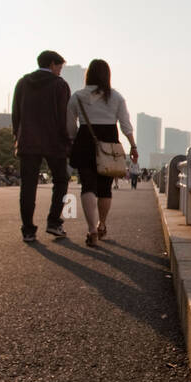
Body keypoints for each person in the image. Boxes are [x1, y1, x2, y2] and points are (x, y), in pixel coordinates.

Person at [67, 59, 137, 247]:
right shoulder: (116, 97)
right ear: (107, 75)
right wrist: (133, 146)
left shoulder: (77, 96)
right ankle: (102, 224)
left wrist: (74, 141)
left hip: (85, 141)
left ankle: (91, 230)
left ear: (88, 75)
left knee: (87, 186)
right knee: (105, 188)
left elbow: (70, 124)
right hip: (109, 144)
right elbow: (125, 125)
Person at [12, 50, 73, 242]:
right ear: (53, 64)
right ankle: (54, 222)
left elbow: (16, 113)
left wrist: (17, 136)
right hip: (54, 141)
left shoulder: (22, 83)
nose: (60, 71)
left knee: (28, 186)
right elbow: (64, 116)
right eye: (60, 67)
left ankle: (28, 229)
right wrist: (68, 140)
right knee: (61, 180)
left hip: (28, 141)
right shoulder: (59, 85)